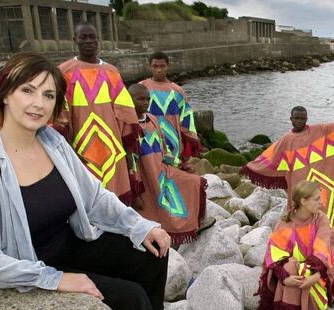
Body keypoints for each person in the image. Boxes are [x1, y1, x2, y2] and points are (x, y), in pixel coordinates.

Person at [0, 53, 171, 310]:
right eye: (27, 90)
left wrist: (138, 225)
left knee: (152, 251)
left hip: (68, 245)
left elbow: (93, 196)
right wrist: (55, 280)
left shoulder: (51, 141)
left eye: (48, 95)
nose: (38, 103)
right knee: (131, 296)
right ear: (6, 93)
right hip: (27, 267)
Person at [241, 106, 334, 228]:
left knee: (326, 206)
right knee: (301, 207)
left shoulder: (319, 130)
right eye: (296, 118)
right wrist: (251, 167)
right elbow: (271, 157)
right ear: (291, 119)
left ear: (306, 119)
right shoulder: (286, 140)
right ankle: (302, 233)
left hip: (323, 178)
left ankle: (328, 231)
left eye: (302, 118)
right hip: (298, 182)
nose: (299, 121)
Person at [54, 22, 141, 205]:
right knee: (86, 188)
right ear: (74, 40)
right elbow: (60, 110)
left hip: (112, 141)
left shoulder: (112, 72)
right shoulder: (64, 71)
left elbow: (125, 110)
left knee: (115, 188)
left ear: (98, 39)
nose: (88, 41)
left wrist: (128, 139)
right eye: (83, 37)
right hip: (80, 141)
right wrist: (66, 144)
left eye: (92, 36)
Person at [128, 83, 214, 243]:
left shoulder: (153, 119)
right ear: (129, 99)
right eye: (140, 99)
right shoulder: (127, 125)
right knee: (152, 205)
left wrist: (181, 165)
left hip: (161, 170)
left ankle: (196, 222)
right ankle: (159, 232)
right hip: (143, 177)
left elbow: (163, 150)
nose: (145, 103)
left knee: (194, 181)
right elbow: (129, 159)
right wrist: (135, 188)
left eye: (147, 99)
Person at [258, 180, 334, 310]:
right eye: (317, 199)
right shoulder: (285, 222)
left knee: (304, 271)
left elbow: (322, 250)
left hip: (316, 270)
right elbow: (275, 254)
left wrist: (316, 276)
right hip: (291, 271)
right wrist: (285, 278)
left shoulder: (321, 219)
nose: (321, 202)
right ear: (304, 201)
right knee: (289, 267)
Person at [138, 51, 202, 170]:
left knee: (171, 173)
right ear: (149, 67)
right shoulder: (142, 87)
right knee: (151, 171)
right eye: (155, 66)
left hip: (172, 139)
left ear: (168, 66)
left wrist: (187, 153)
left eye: (162, 66)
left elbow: (186, 120)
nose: (158, 70)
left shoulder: (177, 91)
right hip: (148, 137)